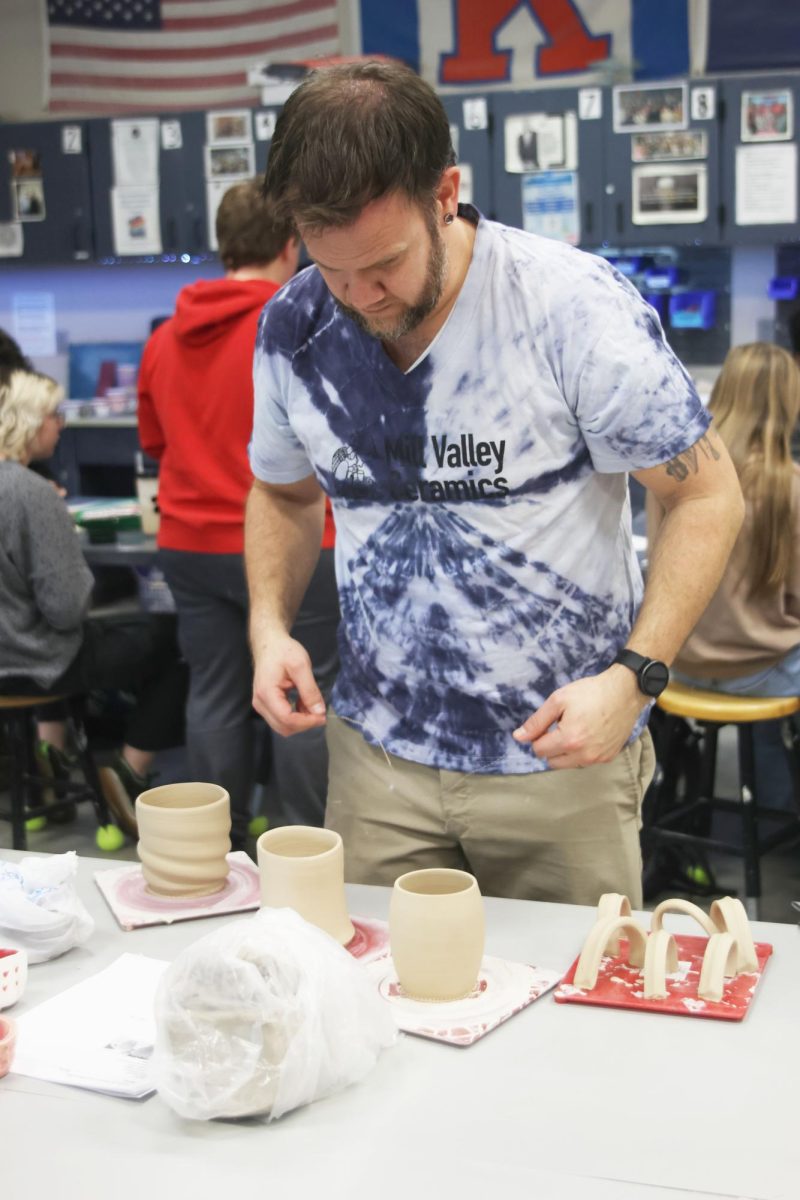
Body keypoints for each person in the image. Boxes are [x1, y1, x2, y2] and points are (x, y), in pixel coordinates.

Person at [245, 62, 744, 907]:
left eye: (386, 265)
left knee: (571, 1018)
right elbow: (285, 493)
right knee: (375, 1006)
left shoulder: (571, 309)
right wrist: (267, 629)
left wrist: (635, 679)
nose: (361, 298)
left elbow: (705, 494)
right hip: (378, 763)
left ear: (445, 192)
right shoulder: (294, 325)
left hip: (560, 757)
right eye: (333, 269)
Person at [138, 179, 339, 851]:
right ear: (291, 245)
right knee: (304, 694)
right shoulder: (298, 324)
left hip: (189, 543)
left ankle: (213, 853)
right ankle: (306, 848)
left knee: (216, 692)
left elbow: (155, 444)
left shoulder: (164, 338)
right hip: (291, 545)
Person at [0, 368, 188, 837]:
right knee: (178, 642)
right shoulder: (31, 493)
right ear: (27, 422)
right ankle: (127, 772)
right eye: (53, 415)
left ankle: (52, 757)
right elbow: (66, 608)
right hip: (35, 661)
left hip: (10, 653)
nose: (60, 425)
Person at [651, 343, 800, 809]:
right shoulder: (790, 486)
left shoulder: (678, 474)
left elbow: (658, 564)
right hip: (759, 673)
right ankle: (779, 814)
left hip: (679, 663)